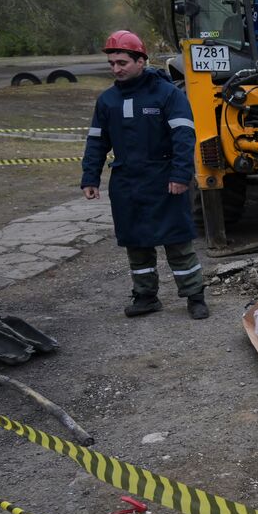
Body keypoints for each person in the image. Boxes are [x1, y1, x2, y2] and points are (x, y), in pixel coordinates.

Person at [81, 30, 209, 320]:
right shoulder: (107, 101)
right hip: (126, 183)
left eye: (122, 62)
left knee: (178, 242)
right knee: (136, 242)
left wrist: (180, 175)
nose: (116, 69)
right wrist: (90, 177)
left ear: (141, 60)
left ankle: (194, 296)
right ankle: (146, 296)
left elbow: (184, 138)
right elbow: (97, 142)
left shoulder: (168, 94)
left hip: (165, 180)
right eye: (112, 63)